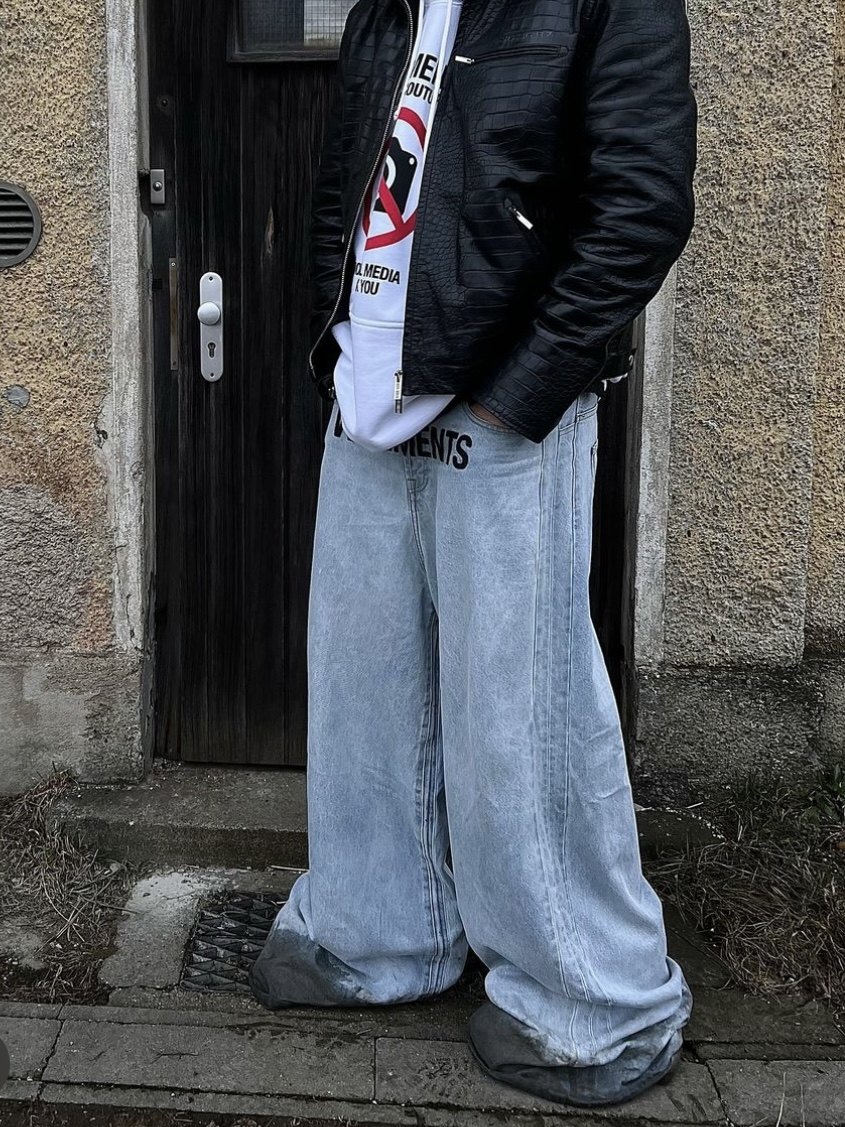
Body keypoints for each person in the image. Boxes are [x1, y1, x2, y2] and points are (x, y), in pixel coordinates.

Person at [249, 0, 698, 1108]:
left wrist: (518, 394)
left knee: (522, 703)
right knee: (360, 682)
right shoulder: (388, 5)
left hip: (502, 402)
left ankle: (597, 998)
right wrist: (336, 346)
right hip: (370, 393)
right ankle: (379, 932)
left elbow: (641, 205)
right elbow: (354, 179)